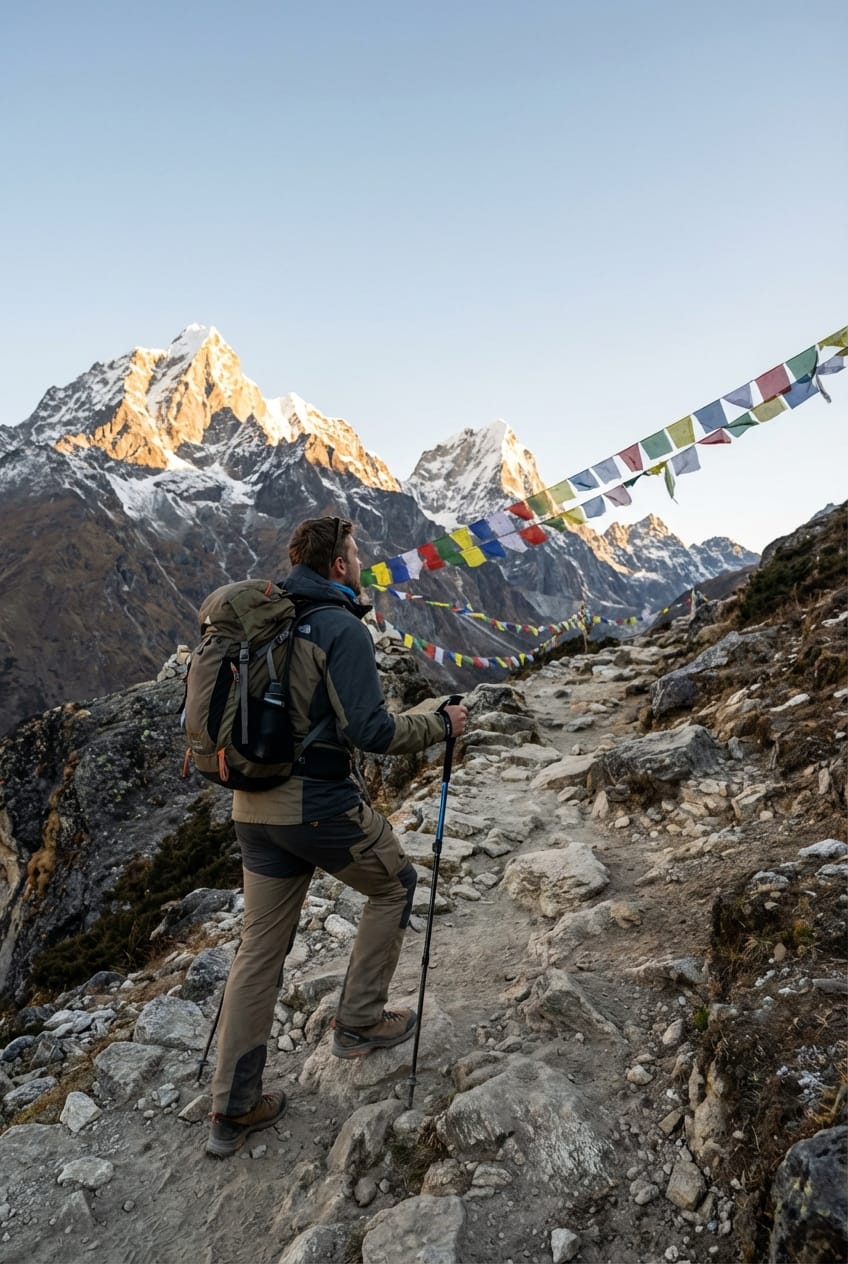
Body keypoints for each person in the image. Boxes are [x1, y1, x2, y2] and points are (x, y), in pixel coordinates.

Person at [206, 515, 468, 1158]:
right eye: (355, 552)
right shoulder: (339, 627)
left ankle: (230, 1111)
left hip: (251, 811)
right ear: (338, 566)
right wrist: (441, 723)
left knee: (259, 953)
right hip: (318, 809)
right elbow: (371, 732)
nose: (361, 560)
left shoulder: (259, 623)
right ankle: (357, 1023)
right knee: (396, 885)